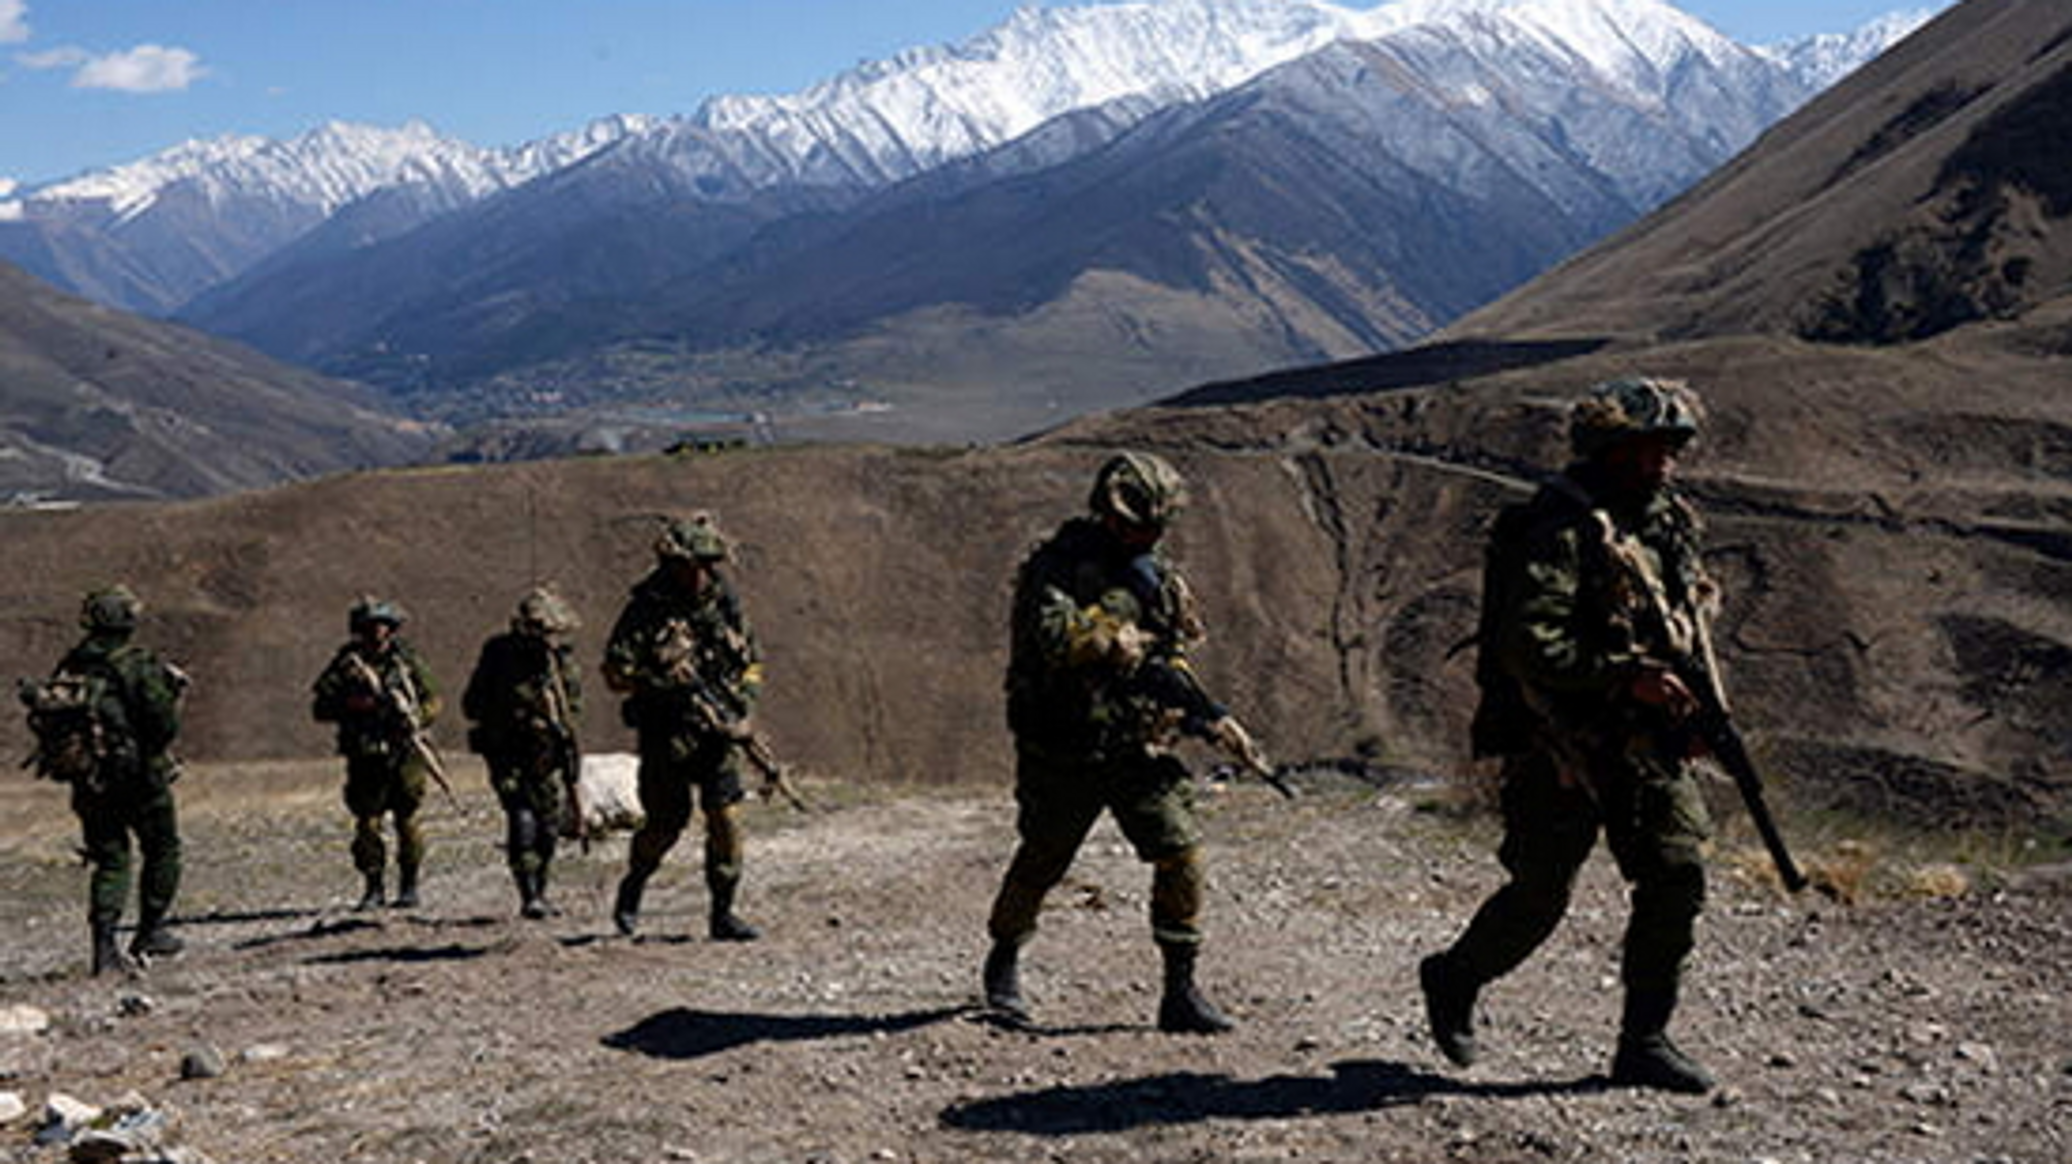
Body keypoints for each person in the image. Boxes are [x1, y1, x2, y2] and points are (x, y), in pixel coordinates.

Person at [1420, 375, 1722, 1094]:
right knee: (1540, 892)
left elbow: (1685, 625)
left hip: (1643, 739)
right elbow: (1532, 645)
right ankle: (1455, 976)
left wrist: (1697, 709)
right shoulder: (1558, 528)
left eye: (1668, 448)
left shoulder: (1667, 522)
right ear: (1608, 450)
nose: (1661, 464)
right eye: (1645, 449)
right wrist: (1625, 678)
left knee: (1677, 873)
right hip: (1553, 741)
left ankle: (1643, 1041)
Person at [981, 452, 1267, 1034]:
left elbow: (1168, 655)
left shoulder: (1154, 575)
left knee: (1181, 852)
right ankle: (1005, 956)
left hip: (1135, 743)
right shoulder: (1057, 567)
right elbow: (1055, 637)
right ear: (1110, 516)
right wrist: (1114, 633)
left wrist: (1207, 714)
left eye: (1158, 527)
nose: (1150, 535)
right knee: (1042, 860)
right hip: (1063, 743)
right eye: (1141, 524)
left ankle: (1180, 990)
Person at [601, 513, 764, 942]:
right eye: (688, 566)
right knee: (665, 824)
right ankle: (634, 884)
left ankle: (723, 912)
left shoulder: (724, 601)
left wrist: (744, 706)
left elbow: (751, 661)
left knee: (725, 819)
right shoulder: (646, 607)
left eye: (703, 565)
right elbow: (615, 672)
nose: (696, 574)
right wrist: (660, 680)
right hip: (666, 732)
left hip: (718, 730)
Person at [21, 586, 188, 975]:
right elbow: (163, 727)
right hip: (139, 780)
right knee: (163, 850)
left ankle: (104, 948)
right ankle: (150, 931)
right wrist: (170, 691)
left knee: (111, 860)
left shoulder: (72, 663)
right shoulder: (137, 665)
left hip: (90, 781)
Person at [311, 597, 443, 911]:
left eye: (383, 625)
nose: (377, 632)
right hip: (366, 753)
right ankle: (373, 886)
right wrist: (355, 705)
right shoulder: (346, 664)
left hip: (405, 751)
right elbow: (320, 706)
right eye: (370, 626)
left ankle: (409, 885)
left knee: (407, 819)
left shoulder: (407, 661)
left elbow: (434, 699)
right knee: (368, 824)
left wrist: (414, 717)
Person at [463, 586, 584, 919]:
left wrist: (557, 728)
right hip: (507, 751)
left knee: (547, 825)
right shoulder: (499, 655)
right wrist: (520, 714)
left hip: (546, 756)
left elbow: (574, 707)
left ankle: (540, 891)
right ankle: (528, 894)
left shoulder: (560, 664)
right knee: (521, 816)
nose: (547, 638)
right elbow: (472, 705)